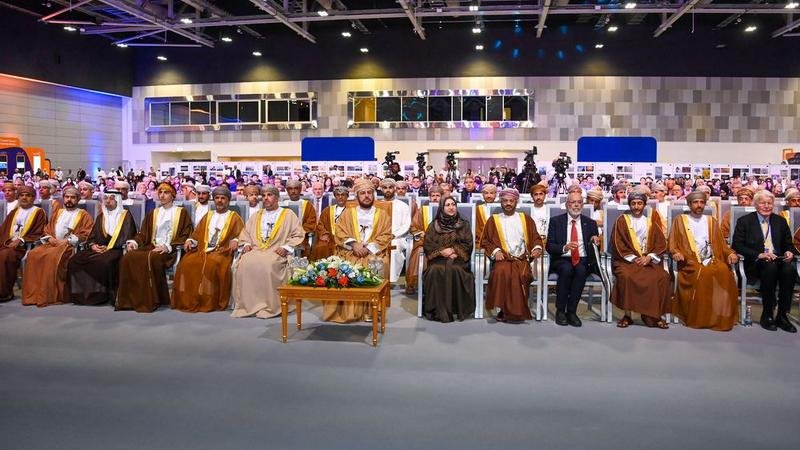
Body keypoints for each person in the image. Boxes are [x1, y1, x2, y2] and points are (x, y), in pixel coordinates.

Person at [322, 178, 392, 323]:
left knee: (377, 264)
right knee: (344, 265)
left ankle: (372, 310)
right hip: (350, 251)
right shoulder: (348, 213)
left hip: (373, 252)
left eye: (369, 193)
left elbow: (386, 235)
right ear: (357, 196)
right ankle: (349, 310)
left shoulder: (382, 214)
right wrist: (354, 245)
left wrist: (368, 248)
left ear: (373, 195)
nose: (366, 196)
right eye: (362, 193)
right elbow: (339, 232)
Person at [115, 183, 192, 313]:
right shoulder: (154, 213)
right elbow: (143, 234)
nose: (162, 195)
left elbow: (185, 234)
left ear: (173, 195)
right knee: (128, 257)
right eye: (160, 192)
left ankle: (152, 299)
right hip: (151, 246)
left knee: (152, 257)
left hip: (170, 250)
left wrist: (167, 247)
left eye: (166, 192)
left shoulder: (181, 212)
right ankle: (131, 299)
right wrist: (134, 242)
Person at [231, 185, 305, 319]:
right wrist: (246, 244)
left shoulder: (288, 215)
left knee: (268, 266)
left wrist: (286, 247)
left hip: (276, 250)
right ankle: (249, 304)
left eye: (269, 195)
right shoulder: (256, 215)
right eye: (264, 195)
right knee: (244, 263)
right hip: (256, 249)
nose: (266, 198)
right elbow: (245, 234)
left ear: (277, 198)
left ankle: (270, 305)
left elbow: (298, 235)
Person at [670, 191, 740, 331]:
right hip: (690, 260)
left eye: (702, 202)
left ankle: (720, 316)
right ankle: (700, 317)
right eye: (695, 202)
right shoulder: (680, 220)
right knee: (703, 273)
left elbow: (721, 244)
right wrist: (675, 252)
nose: (699, 205)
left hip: (711, 258)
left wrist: (731, 253)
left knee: (724, 271)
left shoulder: (710, 221)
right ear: (689, 204)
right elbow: (673, 243)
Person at [732, 190, 797, 332]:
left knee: (789, 270)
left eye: (769, 203)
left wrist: (789, 251)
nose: (766, 206)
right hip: (755, 263)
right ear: (755, 205)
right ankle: (767, 314)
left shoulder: (780, 221)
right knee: (770, 268)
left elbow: (789, 244)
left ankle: (782, 315)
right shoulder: (745, 221)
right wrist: (759, 254)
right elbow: (737, 245)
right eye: (762, 203)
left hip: (778, 260)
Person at [170, 186, 244, 312]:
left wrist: (236, 240)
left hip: (222, 251)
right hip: (203, 249)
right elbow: (197, 233)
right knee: (187, 263)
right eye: (217, 198)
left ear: (228, 200)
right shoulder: (208, 215)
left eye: (223, 198)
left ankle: (209, 299)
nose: (219, 200)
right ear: (213, 200)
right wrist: (190, 240)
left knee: (212, 264)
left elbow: (241, 234)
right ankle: (192, 298)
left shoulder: (234, 217)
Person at [21, 187, 93, 307]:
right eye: (67, 197)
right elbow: (47, 230)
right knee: (33, 254)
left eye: (73, 197)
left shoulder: (84, 215)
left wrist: (67, 241)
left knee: (51, 258)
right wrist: (50, 239)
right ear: (63, 198)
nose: (69, 200)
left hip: (68, 246)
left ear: (78, 199)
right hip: (52, 243)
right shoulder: (58, 213)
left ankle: (49, 295)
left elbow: (86, 233)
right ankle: (34, 294)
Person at [609, 192, 671, 329]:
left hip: (647, 260)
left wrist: (649, 257)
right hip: (626, 260)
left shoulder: (650, 222)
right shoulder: (622, 220)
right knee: (627, 276)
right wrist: (635, 258)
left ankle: (654, 315)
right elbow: (618, 243)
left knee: (662, 276)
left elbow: (660, 244)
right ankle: (627, 315)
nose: (636, 207)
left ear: (644, 205)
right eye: (633, 204)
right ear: (629, 205)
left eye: (639, 203)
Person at [481, 188, 543, 322]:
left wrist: (537, 248)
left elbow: (536, 237)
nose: (508, 203)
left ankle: (516, 312)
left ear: (516, 202)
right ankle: (504, 310)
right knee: (501, 271)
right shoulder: (493, 220)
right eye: (505, 201)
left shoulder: (526, 219)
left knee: (522, 275)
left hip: (521, 259)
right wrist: (495, 251)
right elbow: (485, 241)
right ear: (501, 202)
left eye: (511, 201)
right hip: (502, 259)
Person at [68, 190, 137, 305]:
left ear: (117, 201)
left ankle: (101, 296)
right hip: (98, 249)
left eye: (111, 198)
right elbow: (92, 236)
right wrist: (93, 245)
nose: (108, 201)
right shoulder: (101, 216)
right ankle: (82, 295)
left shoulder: (126, 216)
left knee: (105, 262)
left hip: (117, 249)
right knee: (75, 260)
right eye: (106, 198)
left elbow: (127, 235)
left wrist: (109, 247)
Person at [546, 191, 601, 327]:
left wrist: (594, 241)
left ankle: (571, 311)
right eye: (572, 202)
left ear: (582, 205)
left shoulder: (590, 223)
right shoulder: (556, 221)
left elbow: (595, 249)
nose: (576, 205)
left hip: (583, 258)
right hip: (562, 258)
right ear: (567, 205)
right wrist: (564, 247)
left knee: (581, 271)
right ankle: (560, 310)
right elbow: (549, 246)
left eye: (579, 202)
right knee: (567, 270)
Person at [422, 195, 475, 322]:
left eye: (453, 204)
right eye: (448, 205)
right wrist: (441, 251)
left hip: (458, 258)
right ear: (442, 208)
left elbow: (468, 244)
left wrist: (454, 250)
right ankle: (437, 310)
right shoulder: (434, 225)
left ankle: (455, 308)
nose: (451, 207)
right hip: (438, 258)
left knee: (457, 270)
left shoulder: (464, 224)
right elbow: (428, 244)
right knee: (435, 270)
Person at [0, 186, 47, 302]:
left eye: (28, 195)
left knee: (4, 256)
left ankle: (4, 293)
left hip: (24, 247)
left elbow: (40, 232)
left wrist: (21, 240)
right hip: (7, 243)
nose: (24, 198)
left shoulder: (39, 212)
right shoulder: (14, 212)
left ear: (33, 198)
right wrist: (7, 241)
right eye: (22, 195)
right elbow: (3, 230)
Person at [406, 186, 443, 295]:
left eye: (438, 196)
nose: (435, 198)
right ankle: (413, 283)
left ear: (442, 197)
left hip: (444, 243)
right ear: (429, 197)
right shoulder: (423, 210)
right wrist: (423, 234)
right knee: (419, 252)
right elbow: (414, 226)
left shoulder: (447, 210)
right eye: (433, 196)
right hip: (425, 241)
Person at [378, 178, 411, 284]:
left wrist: (394, 235)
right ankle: (376, 279)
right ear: (381, 189)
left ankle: (390, 280)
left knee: (394, 247)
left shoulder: (403, 206)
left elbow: (406, 225)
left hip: (397, 237)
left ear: (394, 189)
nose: (388, 190)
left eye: (390, 187)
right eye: (385, 188)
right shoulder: (377, 205)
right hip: (378, 237)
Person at [311, 186, 348, 260]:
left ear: (347, 196)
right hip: (329, 238)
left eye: (343, 195)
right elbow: (321, 225)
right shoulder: (327, 210)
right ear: (335, 196)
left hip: (345, 238)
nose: (340, 197)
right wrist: (324, 234)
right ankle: (322, 266)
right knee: (321, 247)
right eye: (338, 195)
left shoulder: (352, 211)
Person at [283, 179, 316, 257]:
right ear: (287, 190)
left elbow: (311, 223)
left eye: (296, 188)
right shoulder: (282, 205)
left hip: (301, 237)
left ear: (300, 189)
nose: (293, 191)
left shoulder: (308, 205)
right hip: (283, 237)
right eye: (290, 189)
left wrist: (298, 233)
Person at [474, 183, 497, 248]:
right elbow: (476, 229)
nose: (489, 196)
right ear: (483, 194)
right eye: (486, 193)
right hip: (481, 243)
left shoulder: (500, 209)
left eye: (491, 193)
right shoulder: (478, 209)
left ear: (495, 195)